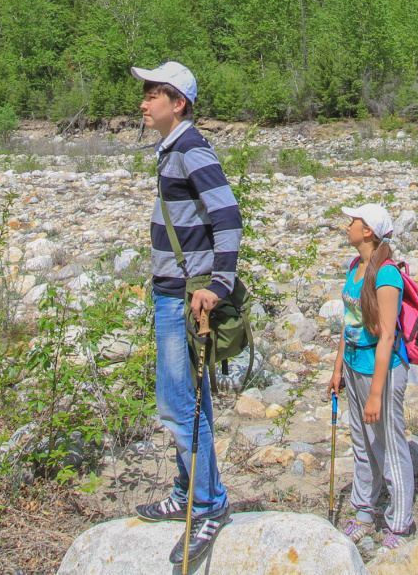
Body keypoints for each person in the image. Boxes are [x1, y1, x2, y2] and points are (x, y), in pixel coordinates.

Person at [129, 61, 241, 569]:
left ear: (179, 104)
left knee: (178, 401)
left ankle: (208, 504)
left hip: (184, 296)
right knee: (188, 398)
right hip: (172, 291)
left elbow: (227, 215)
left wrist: (218, 283)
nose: (144, 101)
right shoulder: (172, 148)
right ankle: (187, 488)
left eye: (154, 93)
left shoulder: (191, 147)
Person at [327, 202, 416, 550]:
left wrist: (377, 393)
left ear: (368, 232)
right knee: (363, 442)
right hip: (354, 364)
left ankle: (400, 523)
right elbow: (349, 324)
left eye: (353, 221)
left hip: (383, 369)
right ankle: (364, 511)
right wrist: (337, 369)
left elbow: (387, 336)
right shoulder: (356, 267)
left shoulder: (387, 273)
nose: (347, 226)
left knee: (389, 444)